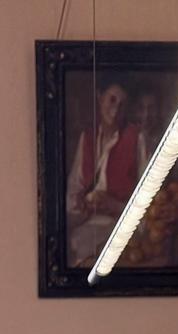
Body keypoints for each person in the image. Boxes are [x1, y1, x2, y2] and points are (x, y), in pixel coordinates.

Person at [66, 81, 144, 266]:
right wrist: (80, 205)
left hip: (118, 227)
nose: (116, 109)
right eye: (112, 100)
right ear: (99, 98)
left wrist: (114, 205)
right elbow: (73, 189)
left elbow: (146, 198)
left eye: (122, 104)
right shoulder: (87, 137)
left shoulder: (136, 138)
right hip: (84, 226)